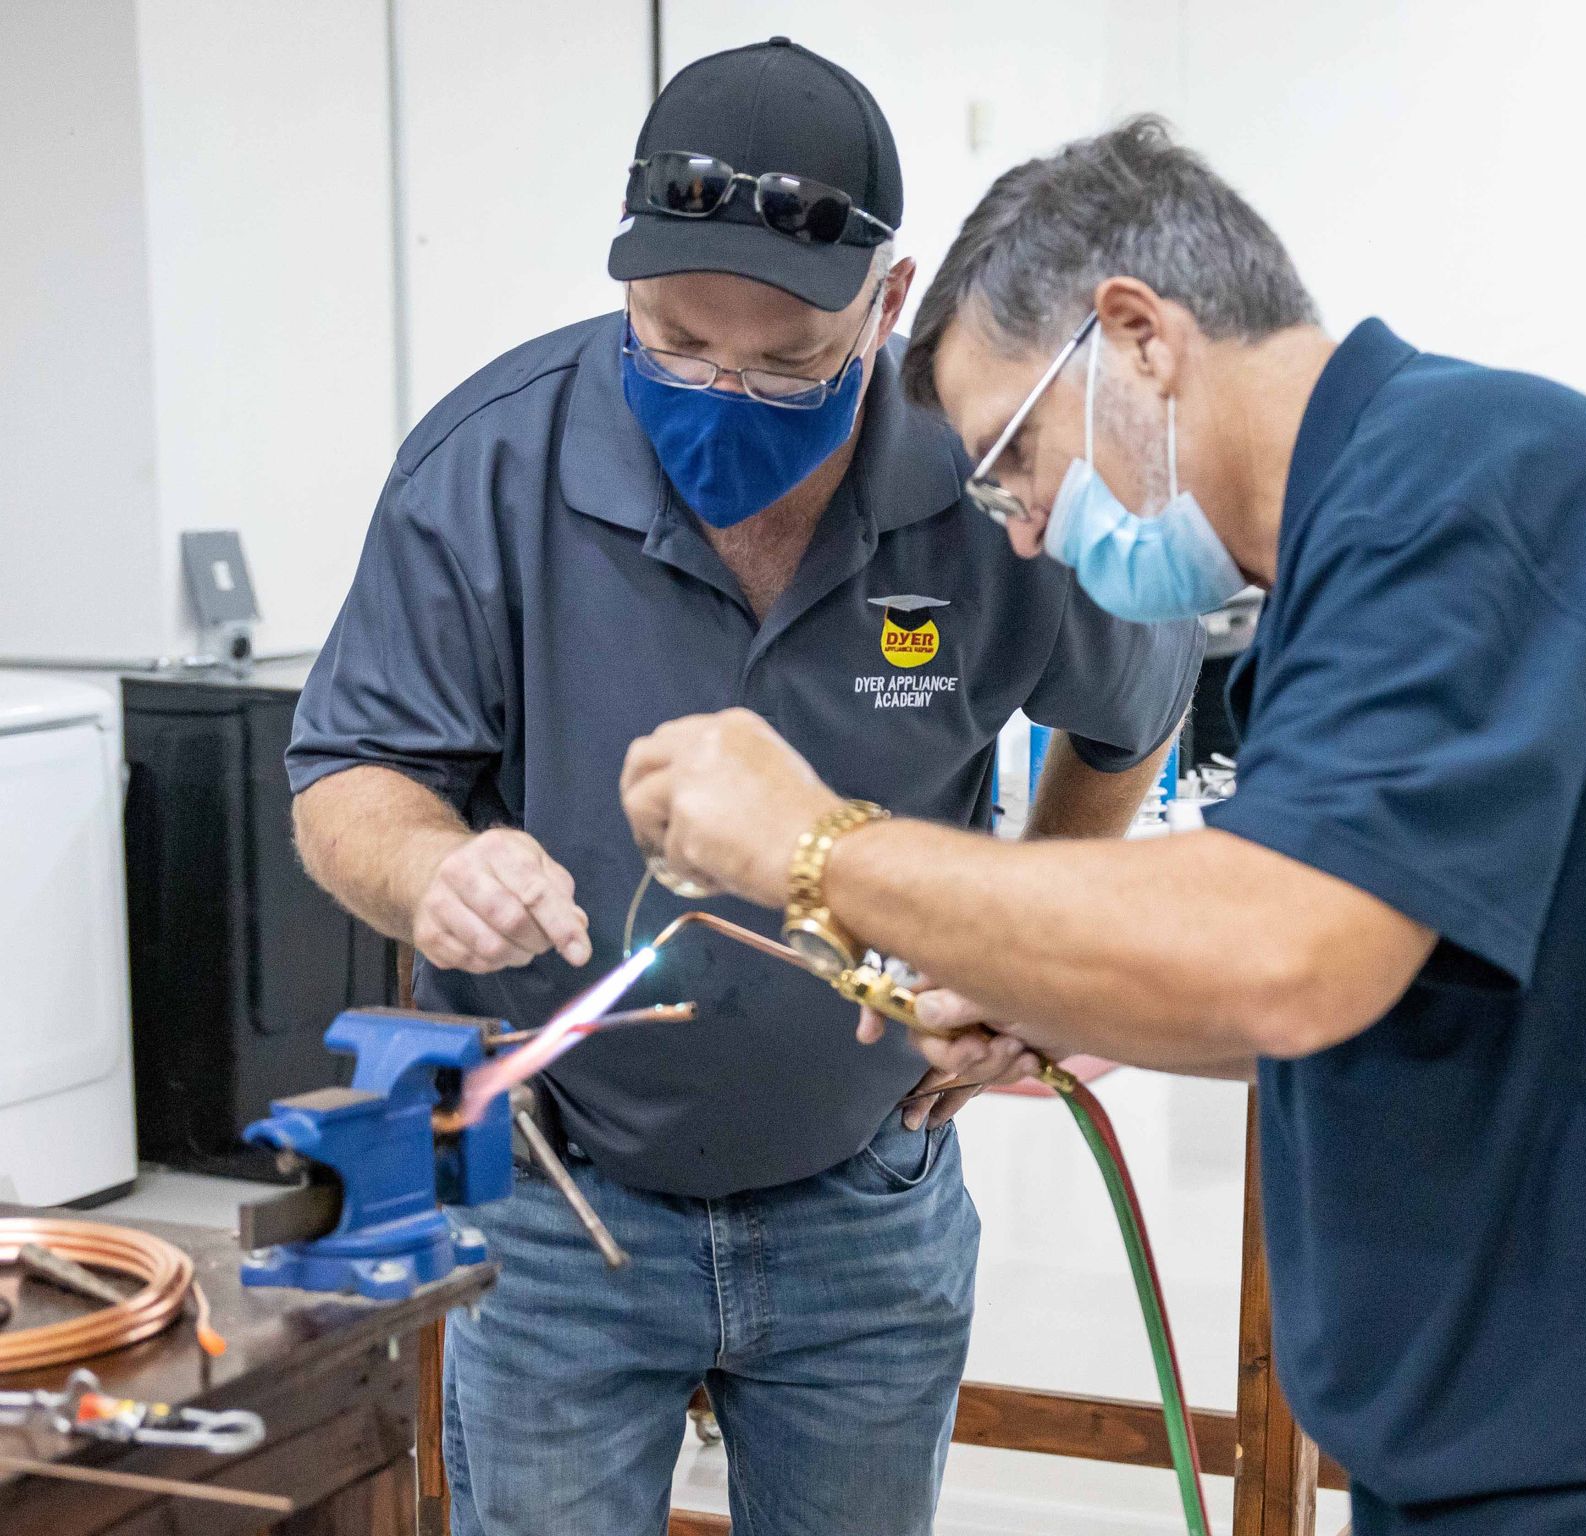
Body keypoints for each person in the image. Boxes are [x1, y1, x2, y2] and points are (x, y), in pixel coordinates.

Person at [618, 117, 1586, 1532]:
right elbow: (1387, 973)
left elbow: (1287, 956)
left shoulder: (1469, 484)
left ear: (1137, 337)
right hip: (1536, 1429)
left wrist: (822, 846)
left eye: (1014, 460)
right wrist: (1054, 985)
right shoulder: (1361, 547)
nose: (1025, 531)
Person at [286, 47, 1201, 1534]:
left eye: (784, 368)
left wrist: (1023, 955)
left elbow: (1130, 718)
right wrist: (432, 869)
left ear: (887, 307)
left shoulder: (987, 471)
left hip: (868, 1199)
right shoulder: (487, 465)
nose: (723, 397)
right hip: (557, 1207)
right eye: (674, 345)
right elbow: (350, 774)